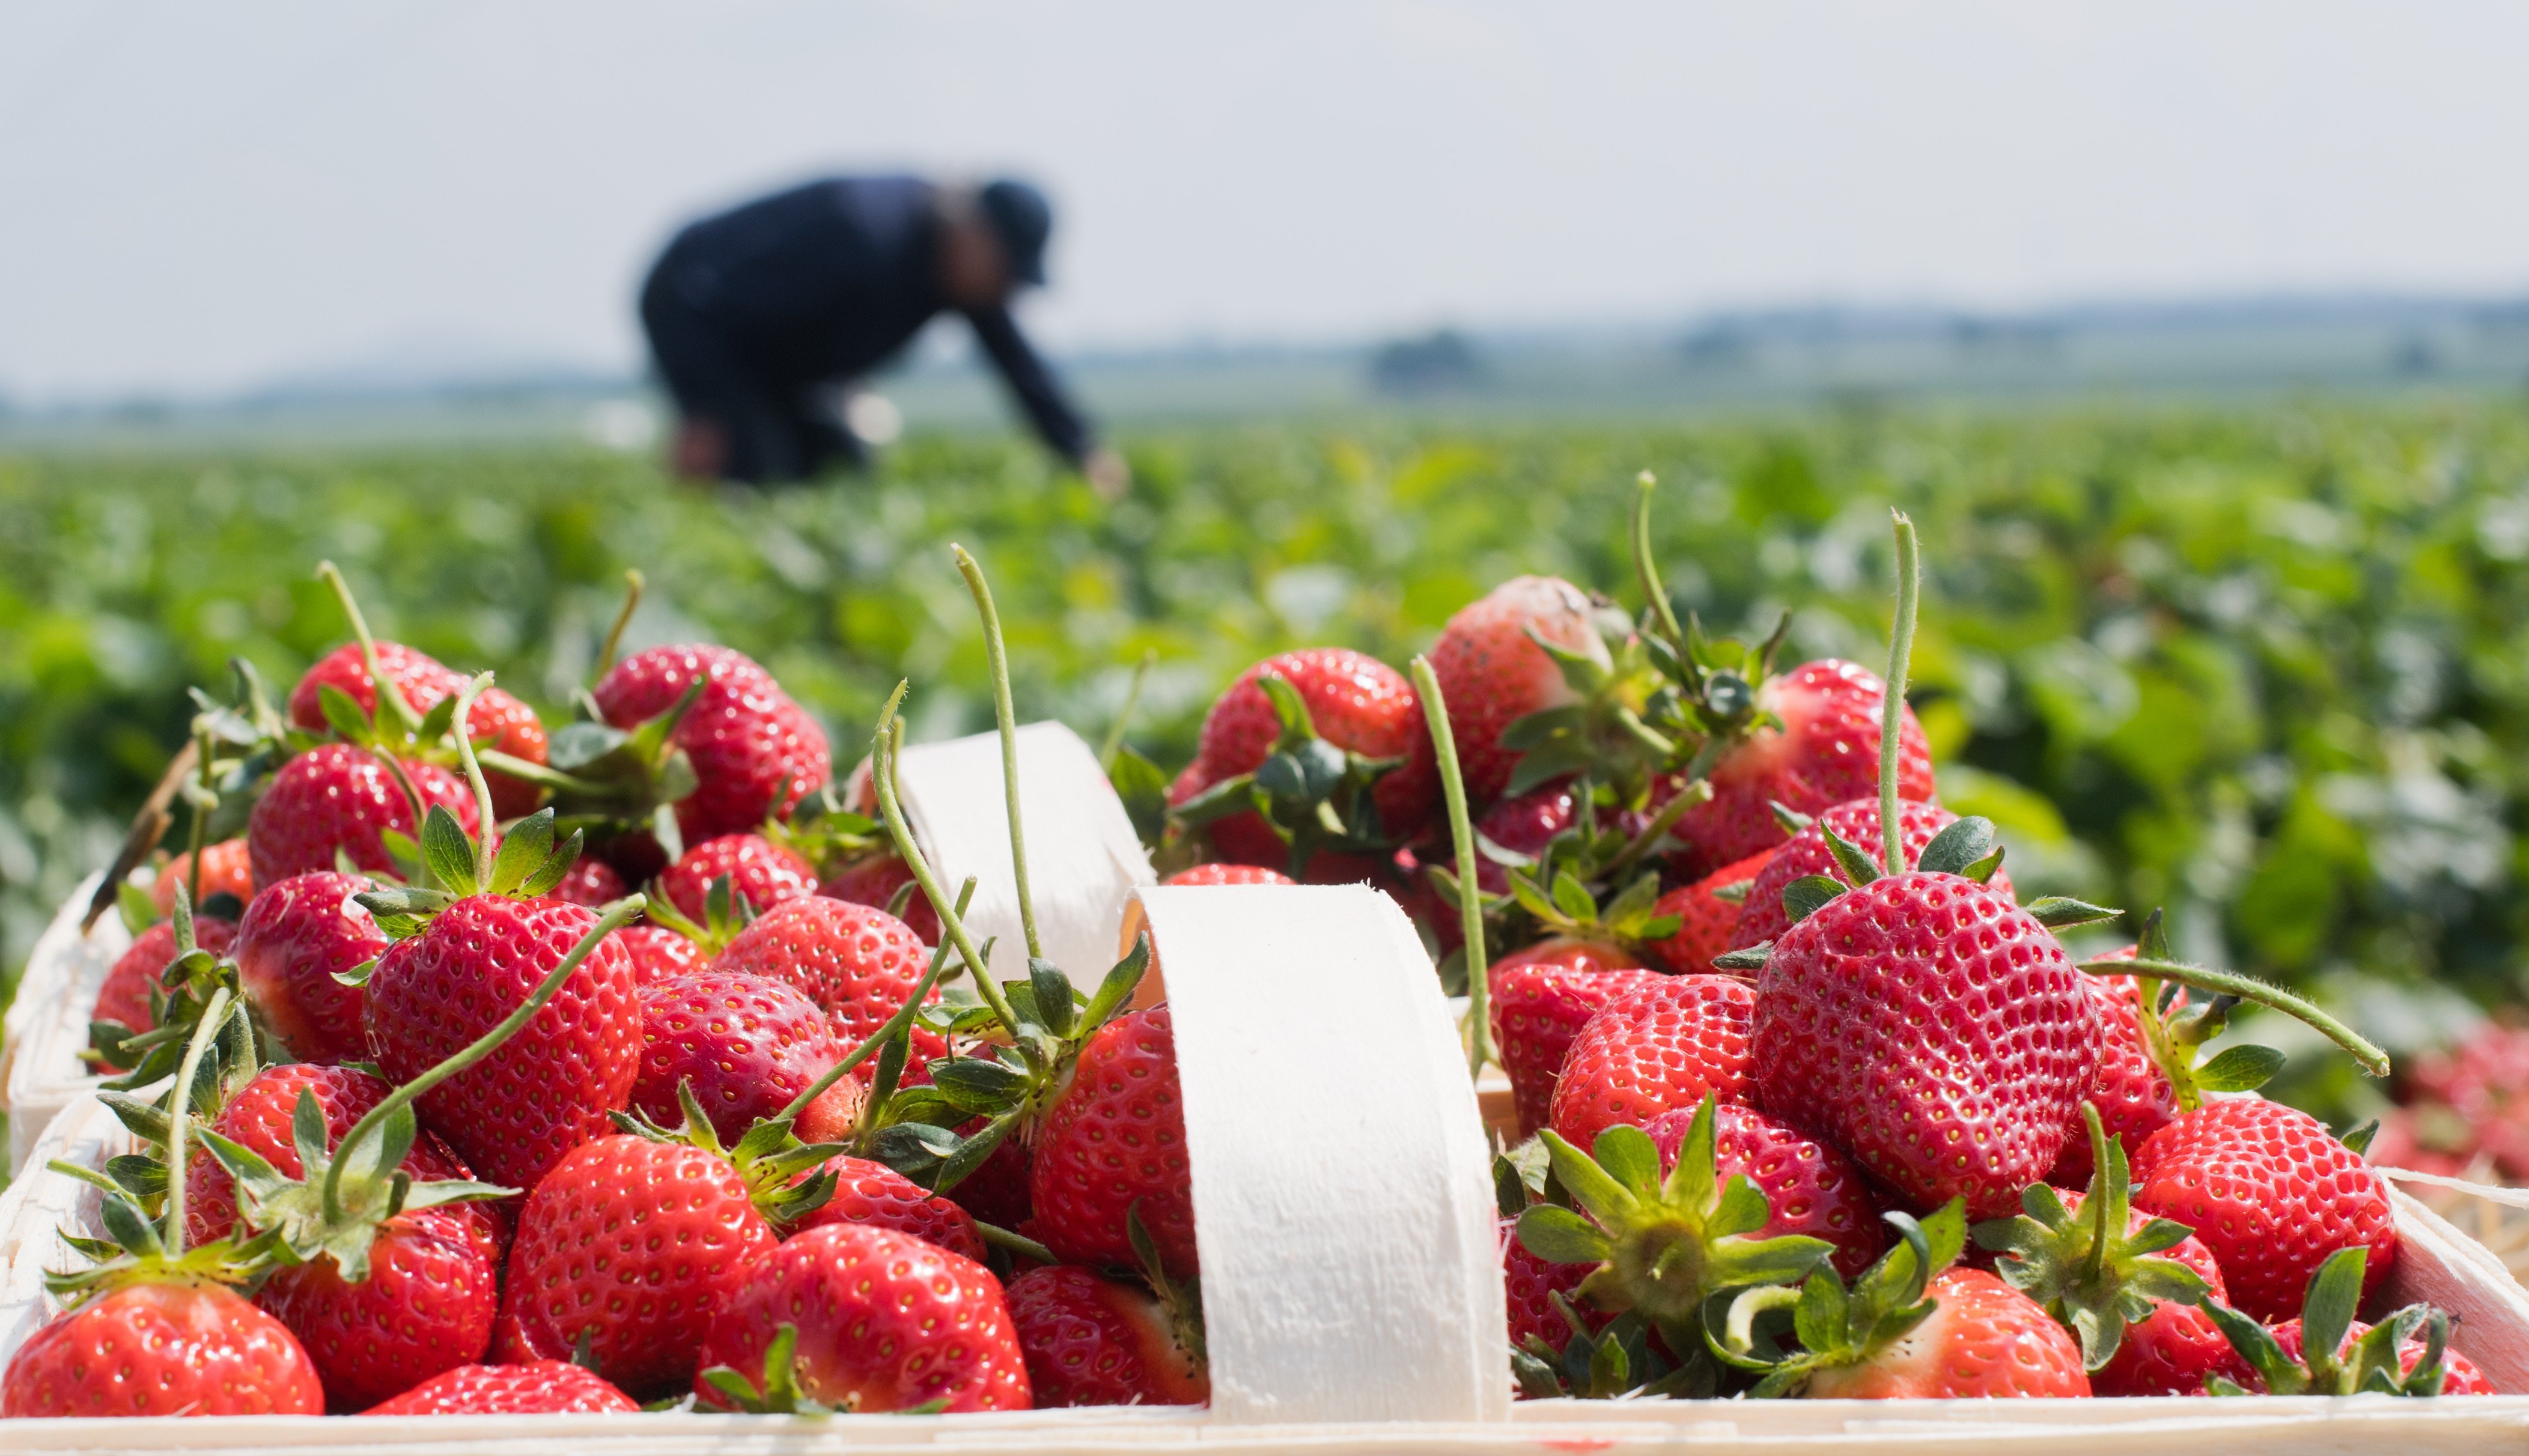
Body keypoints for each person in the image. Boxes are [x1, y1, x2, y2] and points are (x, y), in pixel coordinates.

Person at [639, 175, 1127, 493]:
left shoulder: (954, 268)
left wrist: (1083, 451)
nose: (1005, 289)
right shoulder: (866, 236)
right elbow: (722, 309)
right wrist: (706, 409)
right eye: (1005, 271)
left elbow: (1017, 362)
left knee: (839, 466)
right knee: (750, 467)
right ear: (973, 234)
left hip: (773, 355)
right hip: (696, 304)